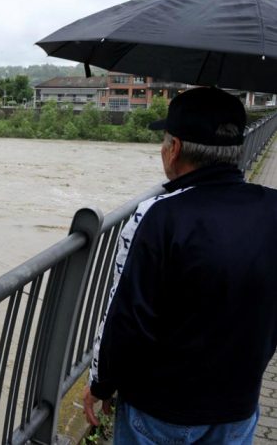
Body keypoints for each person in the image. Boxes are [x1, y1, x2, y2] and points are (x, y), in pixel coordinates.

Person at [83, 86, 277, 444]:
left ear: (173, 150)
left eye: (164, 142)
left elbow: (126, 317)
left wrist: (101, 384)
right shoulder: (272, 207)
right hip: (237, 406)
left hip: (160, 411)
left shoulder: (160, 215)